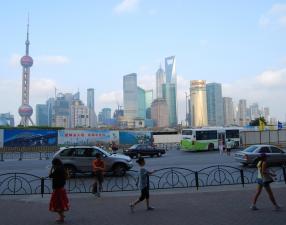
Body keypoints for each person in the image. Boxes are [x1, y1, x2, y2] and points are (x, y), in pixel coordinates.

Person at [49, 158, 69, 223]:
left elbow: (50, 175)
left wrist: (51, 168)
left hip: (58, 190)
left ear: (55, 164)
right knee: (61, 204)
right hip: (62, 189)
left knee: (56, 204)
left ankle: (62, 216)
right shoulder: (62, 169)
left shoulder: (57, 170)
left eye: (53, 164)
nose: (53, 165)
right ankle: (61, 217)